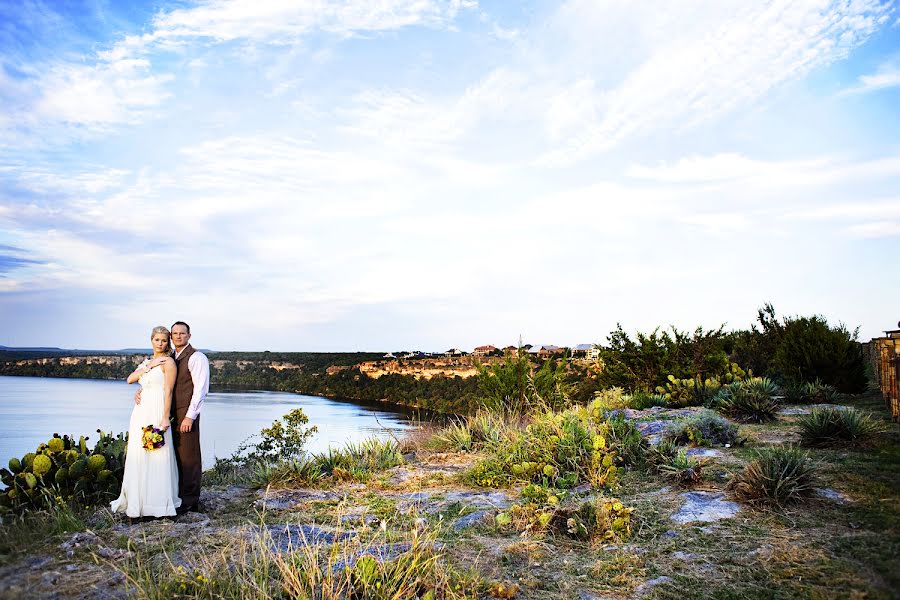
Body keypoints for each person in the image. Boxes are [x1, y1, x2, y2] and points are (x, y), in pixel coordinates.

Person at [138, 321, 210, 513]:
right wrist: (141, 392)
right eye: (175, 333)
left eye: (182, 333)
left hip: (185, 414)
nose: (178, 336)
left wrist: (190, 417)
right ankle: (177, 497)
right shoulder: (171, 357)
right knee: (174, 456)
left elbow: (201, 390)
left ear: (189, 335)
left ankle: (190, 502)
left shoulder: (197, 357)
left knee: (189, 457)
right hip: (169, 415)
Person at [111, 326, 181, 518]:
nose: (160, 343)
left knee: (158, 452)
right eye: (157, 339)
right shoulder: (148, 362)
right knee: (139, 453)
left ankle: (157, 504)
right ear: (151, 340)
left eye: (164, 340)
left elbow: (168, 391)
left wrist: (165, 416)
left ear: (168, 342)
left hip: (158, 410)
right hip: (141, 412)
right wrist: (149, 365)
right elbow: (130, 379)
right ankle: (138, 501)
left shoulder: (169, 363)